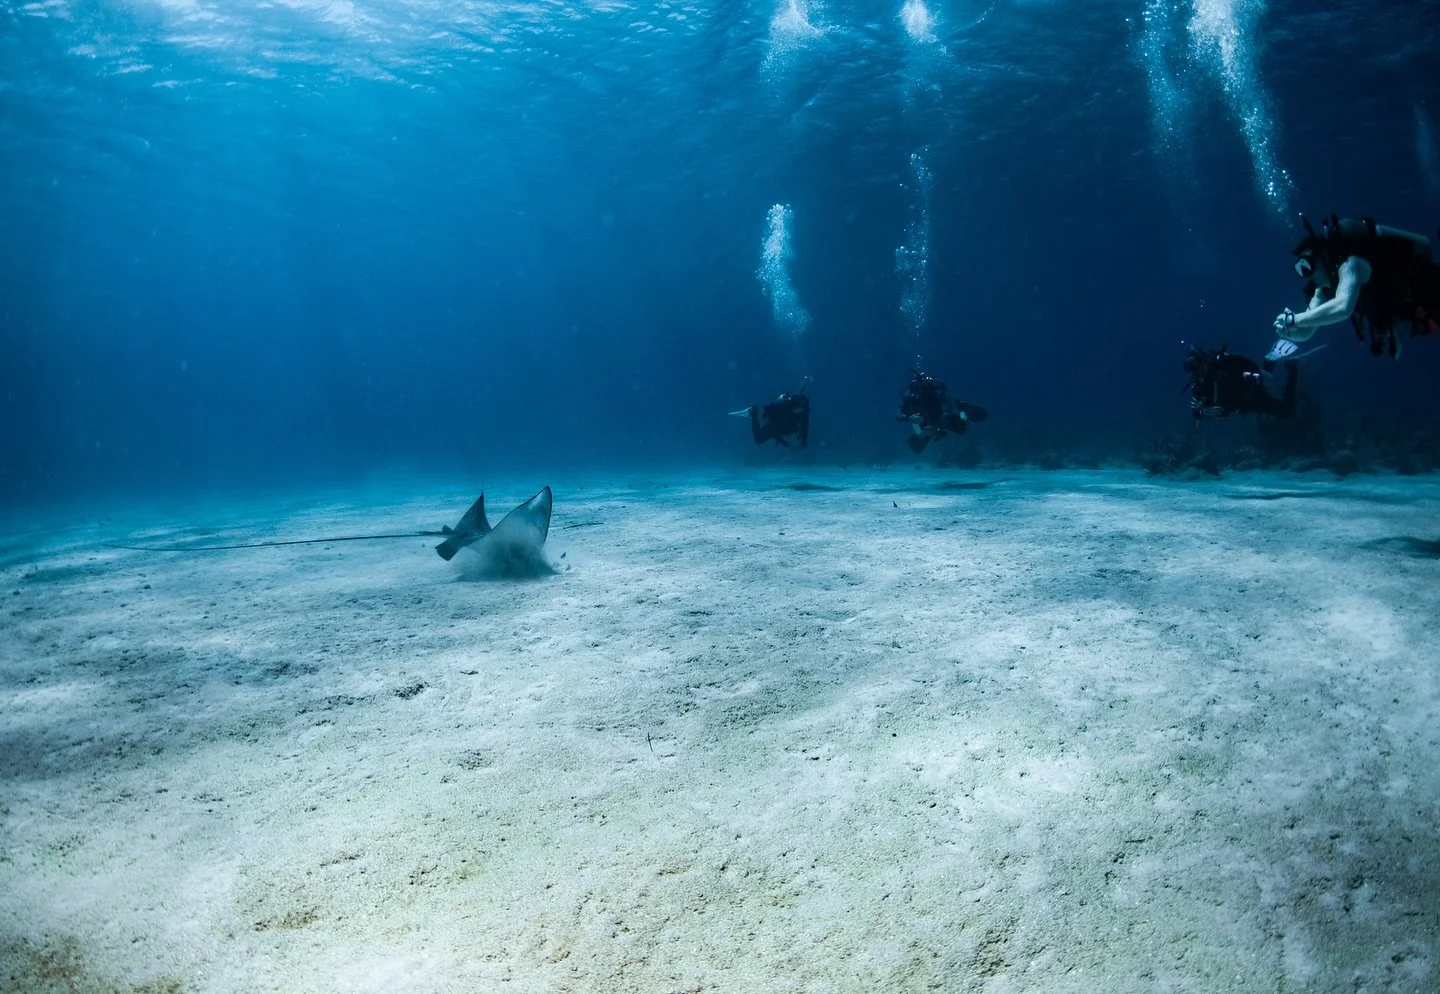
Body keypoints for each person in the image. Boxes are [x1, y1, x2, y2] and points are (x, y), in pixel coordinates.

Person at [1270, 214, 1440, 361]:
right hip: (1407, 303)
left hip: (1426, 288)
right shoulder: (1323, 288)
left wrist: (1294, 320)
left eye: (1307, 266)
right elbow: (1307, 331)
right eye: (1301, 270)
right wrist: (1288, 331)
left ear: (1321, 258)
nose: (1307, 275)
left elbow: (1343, 308)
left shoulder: (1352, 265)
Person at [1183, 344, 1298, 421]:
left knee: (1286, 412)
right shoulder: (1198, 384)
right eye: (1191, 370)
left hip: (1250, 395)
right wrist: (1202, 413)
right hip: (1242, 404)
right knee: (1267, 382)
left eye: (1197, 366)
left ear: (1204, 362)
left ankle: (1293, 369)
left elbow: (1246, 364)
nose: (1197, 372)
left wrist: (1256, 378)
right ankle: (1268, 366)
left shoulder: (1224, 365)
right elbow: (1196, 412)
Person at [896, 369, 988, 454]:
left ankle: (963, 408)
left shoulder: (935, 393)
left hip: (941, 418)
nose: (918, 393)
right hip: (927, 423)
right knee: (917, 445)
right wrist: (909, 418)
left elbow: (946, 407)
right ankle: (961, 413)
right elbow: (899, 413)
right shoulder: (908, 398)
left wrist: (939, 425)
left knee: (962, 429)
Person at [741, 388, 811, 448]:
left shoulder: (800, 418)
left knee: (759, 439)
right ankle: (753, 412)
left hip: (780, 421)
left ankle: (754, 412)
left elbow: (805, 427)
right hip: (774, 421)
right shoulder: (786, 419)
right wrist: (788, 446)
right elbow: (775, 433)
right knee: (758, 439)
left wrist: (803, 441)